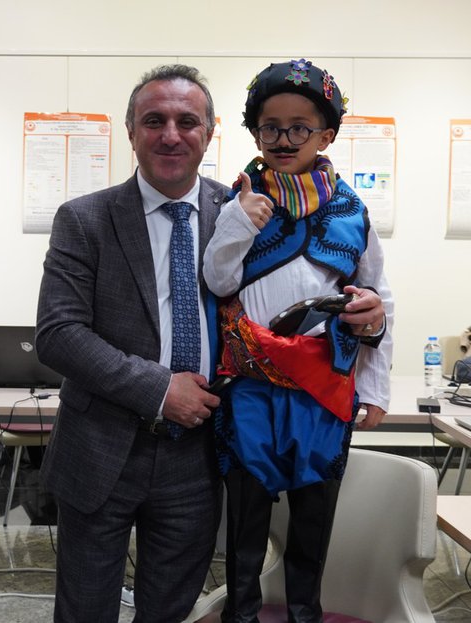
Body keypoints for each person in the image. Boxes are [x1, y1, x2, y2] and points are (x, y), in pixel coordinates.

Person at [202, 58, 393, 622]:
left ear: (326, 135)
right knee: (245, 521)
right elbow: (218, 282)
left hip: (323, 388)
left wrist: (374, 385)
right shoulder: (236, 202)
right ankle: (240, 613)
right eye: (270, 127)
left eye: (299, 128)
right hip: (249, 386)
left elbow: (379, 296)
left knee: (313, 518)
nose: (283, 140)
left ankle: (305, 613)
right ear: (255, 132)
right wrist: (239, 222)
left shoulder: (352, 211)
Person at [36, 64, 226, 623]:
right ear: (131, 132)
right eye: (154, 120)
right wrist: (160, 389)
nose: (171, 135)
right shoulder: (85, 219)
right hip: (101, 449)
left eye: (187, 121)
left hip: (198, 455)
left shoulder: (240, 216)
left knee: (169, 611)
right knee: (85, 611)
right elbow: (58, 334)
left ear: (209, 133)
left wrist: (365, 318)